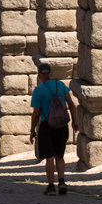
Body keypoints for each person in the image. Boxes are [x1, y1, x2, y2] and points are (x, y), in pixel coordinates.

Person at [30, 63, 78, 196]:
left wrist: (32, 130)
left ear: (39, 74)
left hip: (47, 125)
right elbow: (72, 105)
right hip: (61, 125)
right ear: (50, 73)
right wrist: (75, 122)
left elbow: (36, 113)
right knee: (60, 156)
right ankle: (62, 182)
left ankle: (51, 187)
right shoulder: (60, 85)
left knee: (49, 158)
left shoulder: (38, 90)